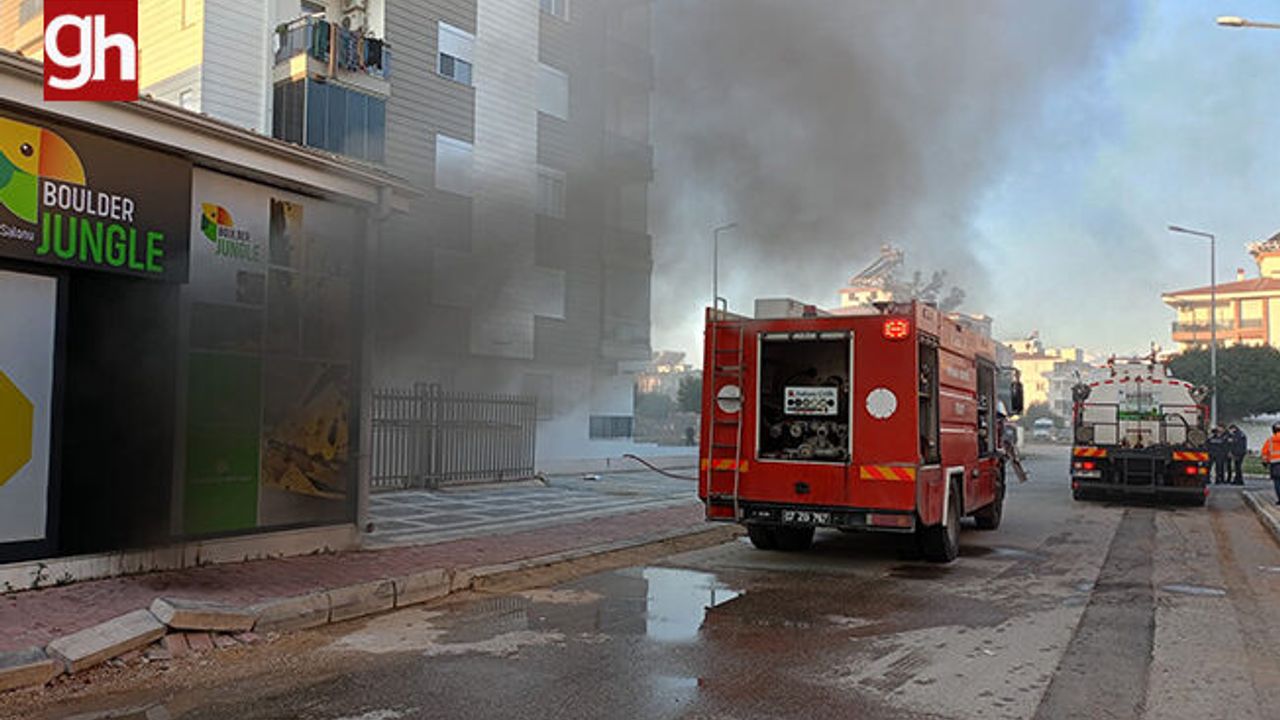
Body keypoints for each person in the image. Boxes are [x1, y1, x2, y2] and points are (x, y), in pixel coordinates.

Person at [1261, 423, 1280, 504]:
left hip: (1275, 464)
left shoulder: (1270, 440)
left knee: (1277, 482)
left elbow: (1265, 452)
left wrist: (1265, 462)